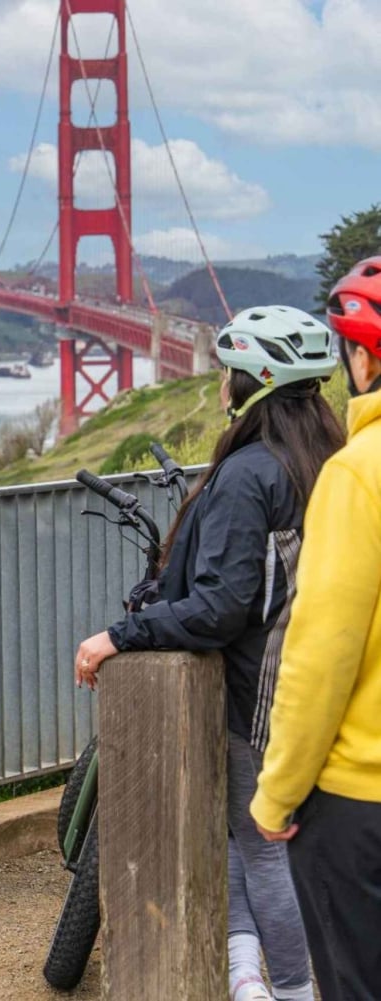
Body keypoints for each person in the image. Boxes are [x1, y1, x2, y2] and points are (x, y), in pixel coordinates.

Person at [75, 305, 342, 1001]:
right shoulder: (327, 458)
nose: (220, 382)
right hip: (311, 685)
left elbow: (222, 605)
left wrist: (119, 635)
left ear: (253, 381)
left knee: (259, 842)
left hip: (256, 693)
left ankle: (290, 987)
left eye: (229, 370)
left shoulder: (251, 473)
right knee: (242, 831)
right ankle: (245, 971)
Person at [250, 259, 381, 1001]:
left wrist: (276, 794)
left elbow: (319, 655)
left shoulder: (357, 473)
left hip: (360, 805)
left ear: (361, 359)